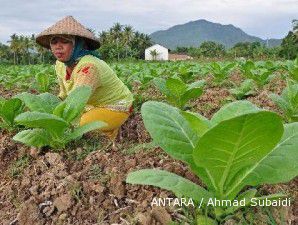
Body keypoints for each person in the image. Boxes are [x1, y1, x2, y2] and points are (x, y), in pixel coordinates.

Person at [35, 16, 133, 148]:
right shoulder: (60, 64)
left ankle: (112, 134)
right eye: (54, 41)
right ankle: (105, 127)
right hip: (90, 106)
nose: (58, 46)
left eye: (65, 41)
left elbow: (76, 103)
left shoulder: (89, 67)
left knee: (79, 127)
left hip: (115, 106)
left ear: (78, 44)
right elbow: (64, 95)